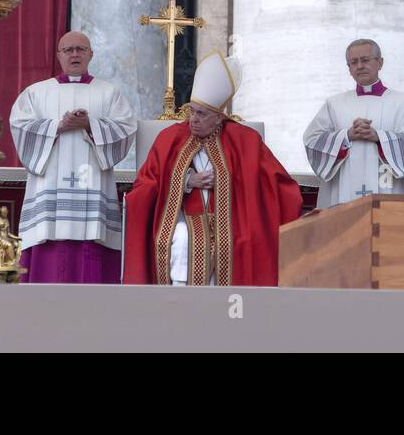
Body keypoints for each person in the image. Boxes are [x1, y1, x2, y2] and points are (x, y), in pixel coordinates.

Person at [124, 52, 302, 286]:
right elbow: (147, 183)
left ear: (219, 118)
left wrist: (233, 180)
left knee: (241, 239)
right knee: (183, 238)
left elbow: (276, 185)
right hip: (184, 218)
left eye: (201, 114)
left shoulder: (245, 140)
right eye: (191, 111)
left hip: (234, 219)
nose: (193, 120)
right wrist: (186, 181)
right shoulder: (169, 138)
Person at [8, 31, 136, 282]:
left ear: (91, 54)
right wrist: (57, 126)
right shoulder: (36, 93)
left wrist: (91, 125)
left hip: (93, 185)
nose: (75, 54)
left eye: (80, 49)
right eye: (68, 50)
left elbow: (126, 129)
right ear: (58, 55)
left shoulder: (110, 93)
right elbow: (20, 126)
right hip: (50, 187)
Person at [303, 38, 404, 208]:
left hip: (387, 184)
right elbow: (312, 141)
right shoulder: (334, 104)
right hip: (343, 187)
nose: (359, 66)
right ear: (349, 68)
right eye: (353, 62)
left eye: (365, 60)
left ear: (380, 62)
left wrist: (379, 137)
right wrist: (346, 136)